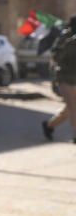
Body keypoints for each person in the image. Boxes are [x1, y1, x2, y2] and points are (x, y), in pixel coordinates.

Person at [41, 15, 76, 143]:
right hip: (64, 77)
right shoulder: (64, 38)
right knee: (73, 107)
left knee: (68, 110)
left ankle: (49, 125)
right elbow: (56, 57)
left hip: (74, 77)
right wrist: (70, 45)